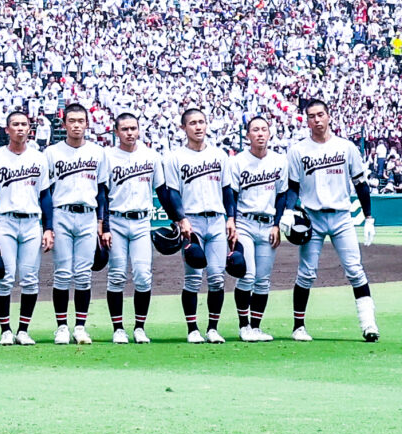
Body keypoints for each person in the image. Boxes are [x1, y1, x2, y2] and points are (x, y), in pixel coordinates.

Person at [287, 97, 379, 343]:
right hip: (312, 217)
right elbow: (293, 186)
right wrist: (288, 210)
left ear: (329, 116)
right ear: (306, 120)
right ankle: (298, 327)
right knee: (306, 273)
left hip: (341, 217)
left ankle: (369, 324)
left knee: (355, 271)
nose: (317, 120)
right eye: (311, 116)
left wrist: (369, 217)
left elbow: (360, 183)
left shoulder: (346, 147)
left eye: (320, 115)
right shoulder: (298, 150)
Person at [157, 106, 234, 345]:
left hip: (217, 219)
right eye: (193, 123)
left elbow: (227, 190)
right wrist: (182, 220)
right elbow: (173, 193)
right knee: (192, 278)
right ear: (183, 128)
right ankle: (192, 329)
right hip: (192, 220)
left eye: (201, 122)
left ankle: (212, 328)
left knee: (217, 278)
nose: (198, 127)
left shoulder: (219, 155)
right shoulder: (174, 157)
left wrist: (231, 218)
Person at [43, 103, 108, 344]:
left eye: (81, 121)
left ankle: (80, 327)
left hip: (88, 215)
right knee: (61, 273)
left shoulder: (97, 152)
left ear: (87, 124)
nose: (77, 125)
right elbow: (46, 192)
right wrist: (47, 225)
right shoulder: (52, 153)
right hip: (61, 212)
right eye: (72, 121)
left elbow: (102, 191)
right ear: (64, 125)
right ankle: (61, 327)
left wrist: (101, 222)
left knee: (83, 275)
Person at [0, 110, 47, 344]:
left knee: (30, 278)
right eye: (15, 124)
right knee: (5, 277)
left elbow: (45, 194)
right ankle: (6, 330)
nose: (20, 128)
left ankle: (23, 330)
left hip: (31, 222)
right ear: (6, 130)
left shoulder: (39, 158)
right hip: (5, 219)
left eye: (24, 124)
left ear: (30, 129)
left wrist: (47, 228)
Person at [226, 114, 291, 341]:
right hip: (244, 221)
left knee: (263, 279)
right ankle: (244, 326)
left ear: (270, 133)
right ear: (247, 135)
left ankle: (256, 326)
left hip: (268, 224)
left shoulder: (279, 161)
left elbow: (282, 195)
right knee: (248, 274)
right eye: (255, 130)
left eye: (264, 129)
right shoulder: (238, 162)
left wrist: (277, 225)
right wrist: (231, 220)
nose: (260, 133)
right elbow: (231, 194)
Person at [98, 112, 161, 344]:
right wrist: (103, 225)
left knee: (144, 276)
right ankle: (118, 328)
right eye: (124, 129)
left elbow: (161, 189)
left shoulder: (151, 156)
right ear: (116, 132)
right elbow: (102, 193)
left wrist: (178, 219)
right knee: (116, 276)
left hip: (142, 221)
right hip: (116, 220)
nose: (130, 133)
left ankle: (139, 327)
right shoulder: (107, 156)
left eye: (133, 128)